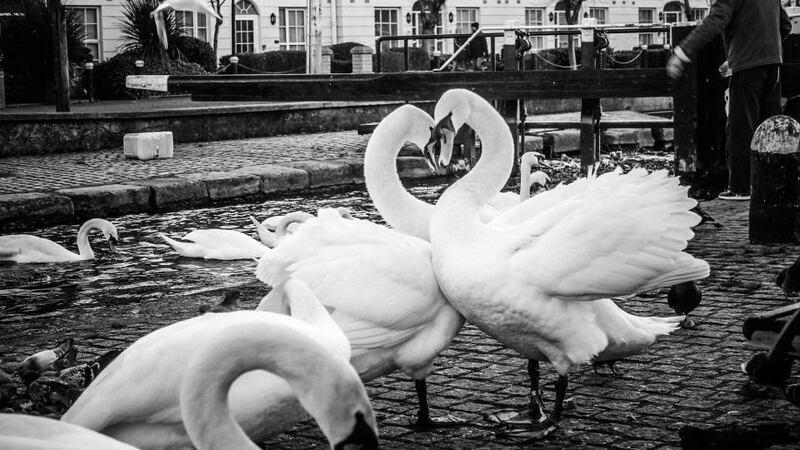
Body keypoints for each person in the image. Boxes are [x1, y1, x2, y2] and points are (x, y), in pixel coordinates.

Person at [666, 0, 792, 201]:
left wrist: (681, 53)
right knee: (770, 128)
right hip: (772, 64)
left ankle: (741, 188)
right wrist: (760, 53)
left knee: (740, 128)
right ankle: (772, 185)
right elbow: (785, 25)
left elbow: (715, 20)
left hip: (747, 67)